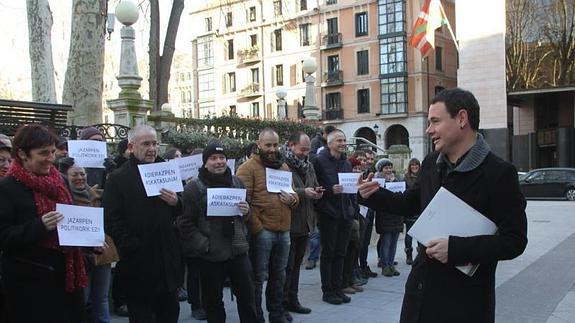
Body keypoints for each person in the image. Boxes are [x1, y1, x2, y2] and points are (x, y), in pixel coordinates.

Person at [358, 88, 528, 323]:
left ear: (461, 119)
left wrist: (456, 249)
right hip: (420, 293)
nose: (429, 130)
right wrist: (373, 196)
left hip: (464, 303)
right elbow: (411, 202)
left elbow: (515, 241)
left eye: (435, 121)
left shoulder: (500, 174)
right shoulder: (430, 164)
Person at [0, 124, 87, 322]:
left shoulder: (60, 181)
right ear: (23, 154)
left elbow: (71, 223)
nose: (51, 158)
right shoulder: (7, 188)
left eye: (53, 152)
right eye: (43, 153)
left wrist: (91, 240)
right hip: (29, 284)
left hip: (67, 277)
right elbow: (3, 236)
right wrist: (39, 226)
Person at [103, 125, 183, 323]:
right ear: (131, 146)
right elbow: (111, 219)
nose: (152, 148)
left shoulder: (166, 170)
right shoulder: (118, 178)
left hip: (167, 262)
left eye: (155, 143)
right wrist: (132, 244)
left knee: (170, 314)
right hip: (138, 265)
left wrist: (176, 202)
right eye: (146, 144)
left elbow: (181, 207)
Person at [178, 142, 258, 323]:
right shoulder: (194, 188)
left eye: (222, 158)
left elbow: (245, 215)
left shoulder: (237, 182)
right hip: (211, 255)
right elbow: (184, 222)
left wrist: (246, 211)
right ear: (205, 162)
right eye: (213, 158)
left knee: (247, 298)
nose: (219, 162)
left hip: (238, 251)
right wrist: (203, 244)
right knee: (213, 302)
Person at [236, 128, 299, 323]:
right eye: (268, 145)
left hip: (284, 230)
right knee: (258, 277)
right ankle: (257, 317)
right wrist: (258, 229)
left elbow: (294, 194)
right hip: (263, 232)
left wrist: (293, 200)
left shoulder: (284, 167)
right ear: (259, 144)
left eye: (275, 145)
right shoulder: (247, 168)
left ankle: (276, 313)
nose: (272, 149)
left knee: (279, 276)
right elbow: (244, 201)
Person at [59, 158, 119, 323]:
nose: (79, 177)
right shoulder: (62, 200)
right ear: (65, 176)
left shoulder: (97, 196)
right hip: (79, 257)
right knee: (82, 300)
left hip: (101, 254)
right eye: (74, 174)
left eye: (82, 173)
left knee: (101, 298)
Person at [281, 132, 322, 315]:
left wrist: (317, 191)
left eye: (308, 150)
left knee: (296, 265)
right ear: (291, 145)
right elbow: (281, 190)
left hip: (305, 223)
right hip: (289, 222)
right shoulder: (282, 165)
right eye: (302, 149)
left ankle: (293, 299)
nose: (306, 153)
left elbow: (313, 185)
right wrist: (304, 192)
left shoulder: (309, 165)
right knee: (286, 267)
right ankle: (282, 303)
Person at [312, 129, 354, 305]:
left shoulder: (347, 163)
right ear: (329, 143)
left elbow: (351, 189)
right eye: (339, 141)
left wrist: (353, 210)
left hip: (345, 214)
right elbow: (314, 187)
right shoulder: (319, 161)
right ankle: (328, 291)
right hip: (329, 214)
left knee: (341, 253)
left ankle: (338, 288)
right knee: (328, 253)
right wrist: (330, 191)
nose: (343, 143)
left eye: (344, 140)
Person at [373, 158, 403, 277]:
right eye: (386, 168)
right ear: (381, 169)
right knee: (386, 242)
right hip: (385, 215)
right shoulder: (378, 181)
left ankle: (391, 264)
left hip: (396, 215)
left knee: (394, 243)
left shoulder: (398, 179)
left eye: (390, 167)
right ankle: (385, 265)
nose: (389, 170)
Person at [403, 158, 421, 265]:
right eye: (412, 165)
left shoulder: (423, 177)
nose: (414, 167)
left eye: (416, 165)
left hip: (420, 208)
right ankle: (409, 255)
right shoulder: (406, 178)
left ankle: (420, 254)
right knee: (409, 233)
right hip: (410, 209)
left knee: (420, 233)